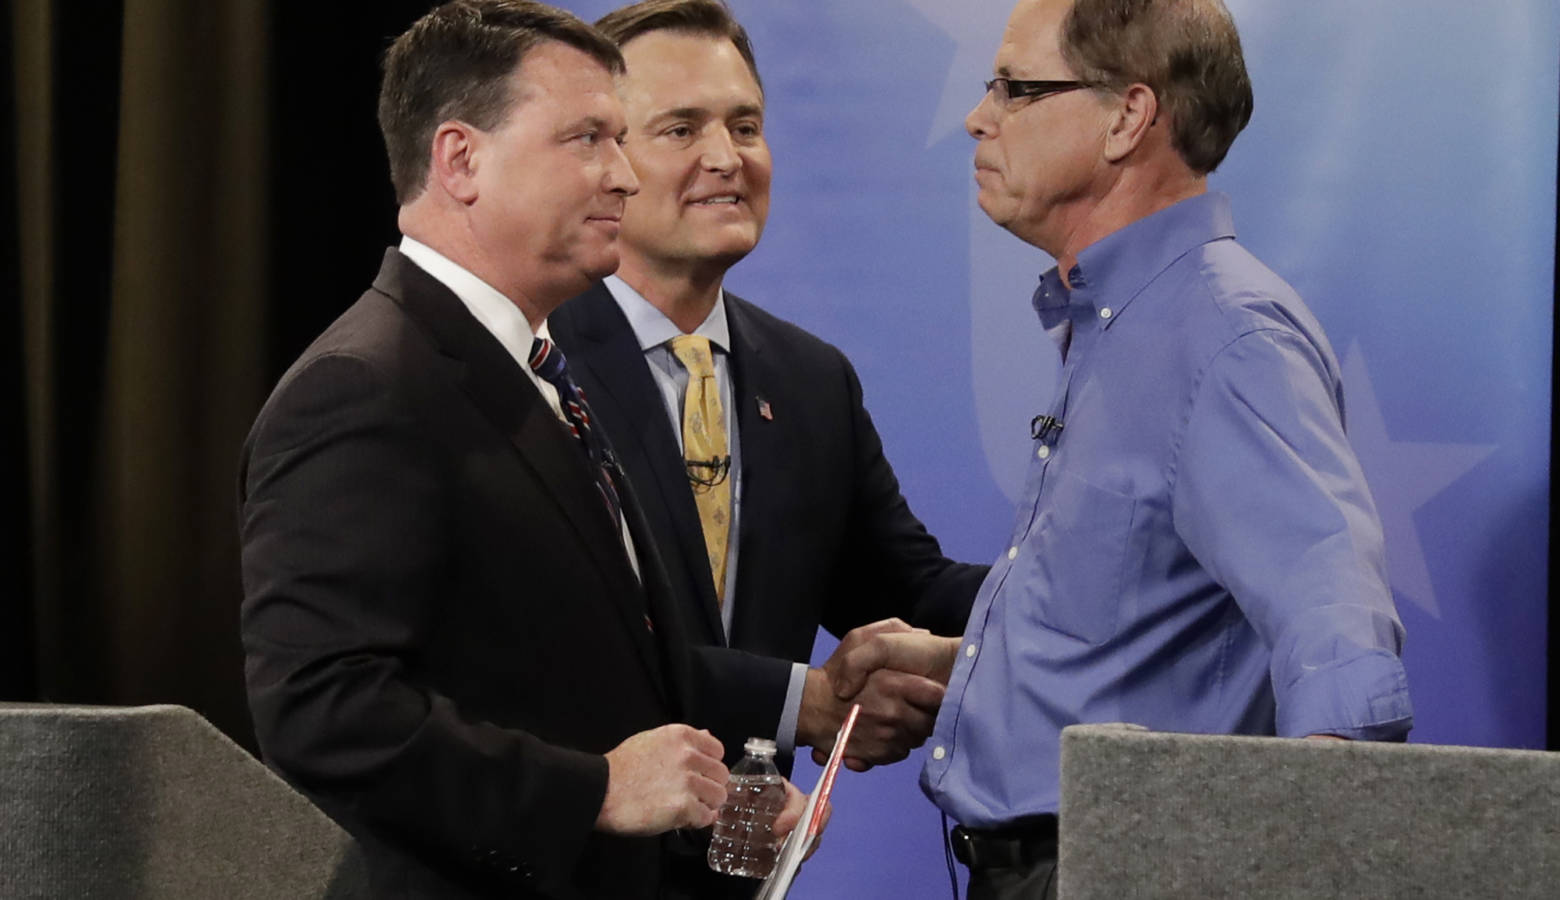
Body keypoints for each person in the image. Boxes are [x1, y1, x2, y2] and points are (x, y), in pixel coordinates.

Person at [238, 3, 805, 897]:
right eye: (586, 139)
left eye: (621, 139)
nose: (623, 175)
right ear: (460, 159)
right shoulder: (364, 385)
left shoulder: (540, 365)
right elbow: (326, 711)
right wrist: (596, 791)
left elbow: (588, 671)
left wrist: (713, 802)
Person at [856, 0, 1415, 896]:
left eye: (1016, 87)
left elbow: (1331, 609)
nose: (978, 114)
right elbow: (1129, 620)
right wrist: (971, 662)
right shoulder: (1123, 324)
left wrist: (1326, 850)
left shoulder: (1226, 337)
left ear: (1128, 116)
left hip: (1127, 870)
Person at [547, 0, 989, 793]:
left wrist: (1081, 586)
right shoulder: (537, 362)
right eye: (681, 129)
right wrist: (807, 702)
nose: (726, 157)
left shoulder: (809, 379)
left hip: (745, 864)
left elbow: (914, 592)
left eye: (746, 126)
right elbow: (579, 646)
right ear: (603, 158)